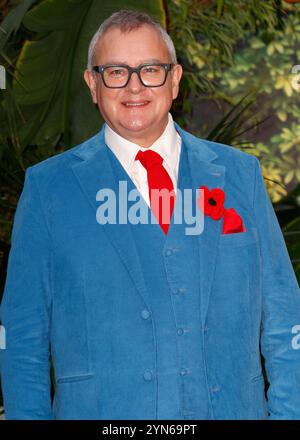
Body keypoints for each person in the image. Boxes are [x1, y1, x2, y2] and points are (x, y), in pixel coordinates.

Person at [0, 9, 300, 420]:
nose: (134, 85)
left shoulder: (239, 176)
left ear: (174, 79)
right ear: (93, 84)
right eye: (115, 72)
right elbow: (22, 342)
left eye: (150, 69)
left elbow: (285, 319)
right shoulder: (48, 189)